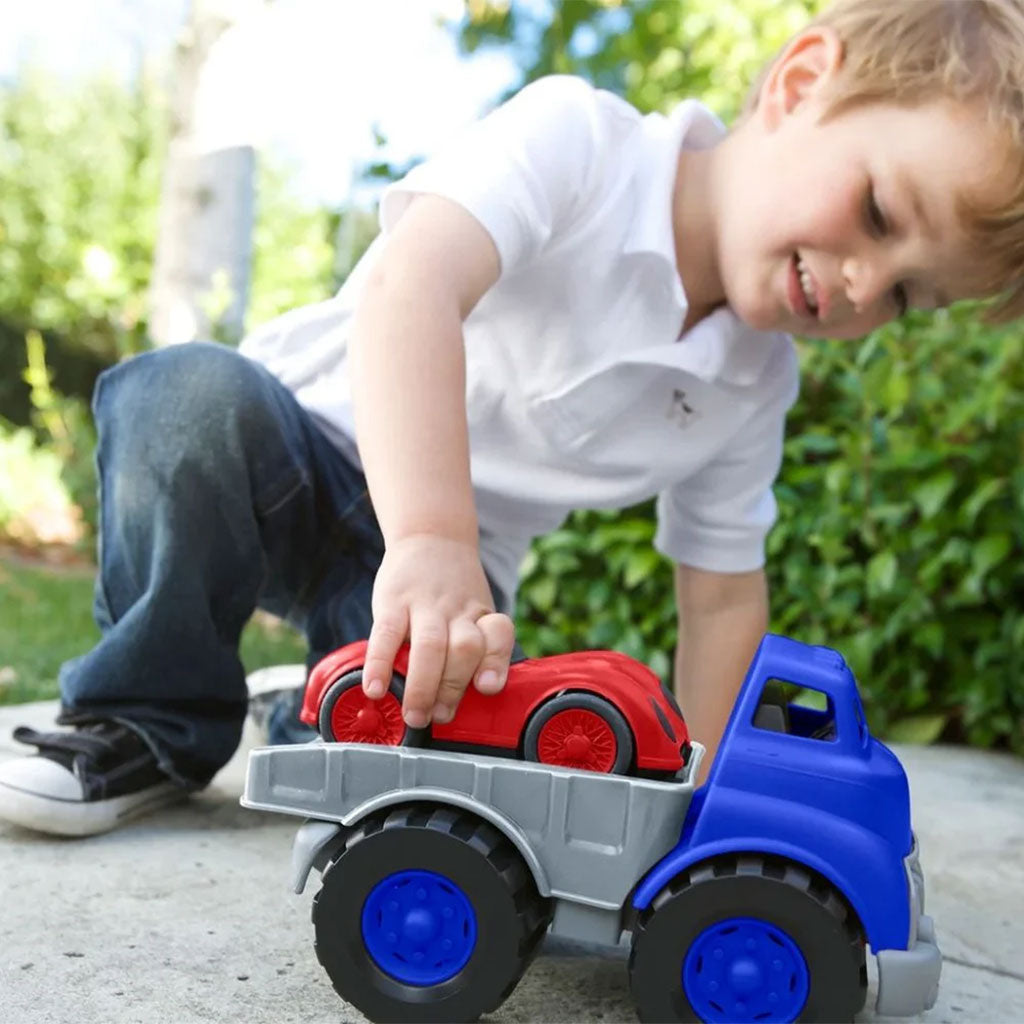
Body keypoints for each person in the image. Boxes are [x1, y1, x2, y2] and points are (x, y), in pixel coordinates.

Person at [1, 0, 1021, 836]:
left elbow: (718, 601)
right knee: (181, 399)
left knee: (423, 763)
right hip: (294, 448)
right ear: (800, 85)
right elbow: (415, 285)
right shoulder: (582, 143)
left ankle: (311, 705)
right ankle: (144, 717)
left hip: (448, 581)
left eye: (905, 298)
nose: (861, 284)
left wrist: (704, 803)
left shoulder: (751, 385)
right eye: (883, 216)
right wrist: (432, 534)